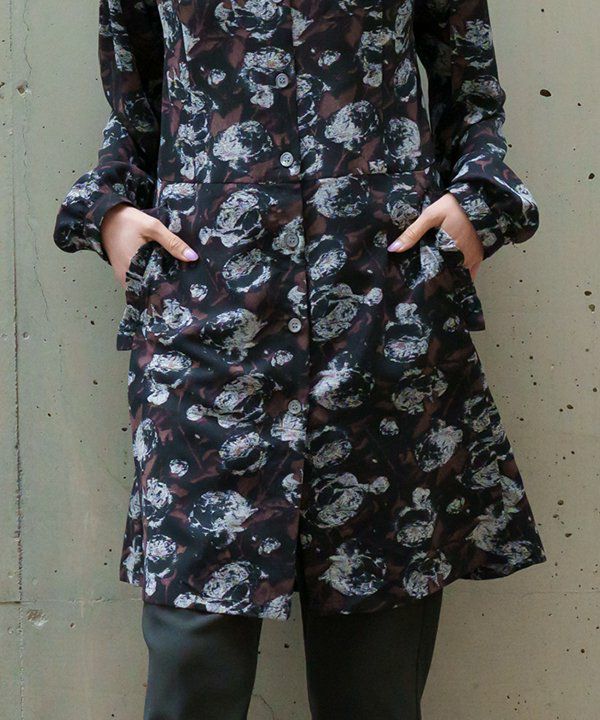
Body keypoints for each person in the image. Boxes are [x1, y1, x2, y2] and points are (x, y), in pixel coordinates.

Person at [53, 0, 548, 717]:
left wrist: (475, 205)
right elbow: (135, 106)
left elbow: (471, 97)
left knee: (372, 693)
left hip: (381, 332)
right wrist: (113, 214)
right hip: (207, 337)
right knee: (192, 675)